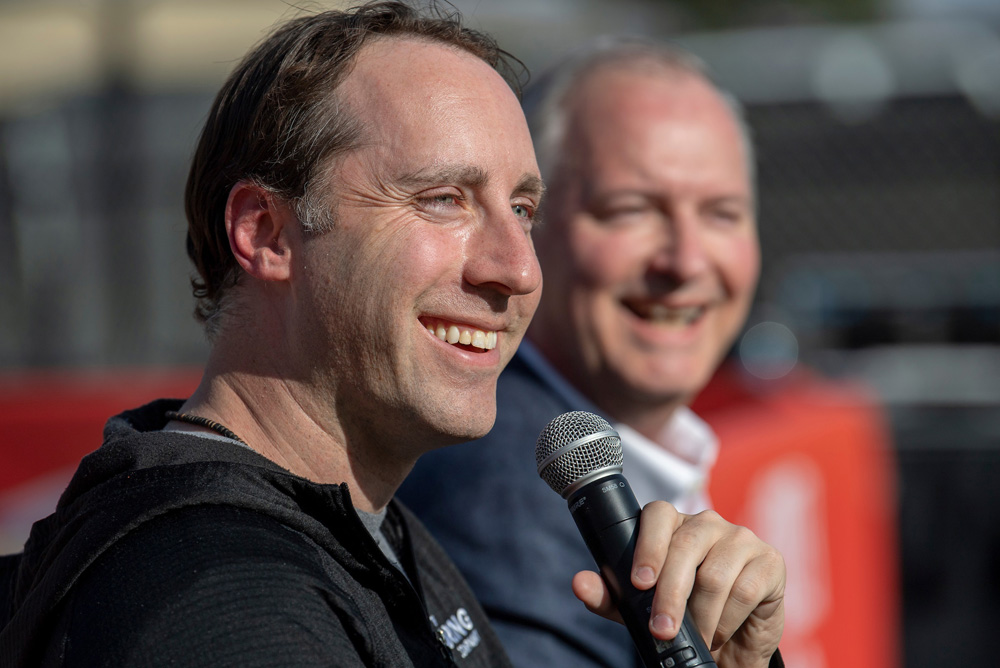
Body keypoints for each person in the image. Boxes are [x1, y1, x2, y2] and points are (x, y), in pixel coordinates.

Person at [0, 5, 784, 667]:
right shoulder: (227, 604)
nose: (516, 269)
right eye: (443, 200)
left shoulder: (370, 532)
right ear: (267, 232)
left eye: (521, 209)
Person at [400, 37, 766, 668]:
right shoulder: (502, 500)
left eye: (722, 214)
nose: (684, 260)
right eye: (631, 211)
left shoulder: (596, 455)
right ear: (529, 229)